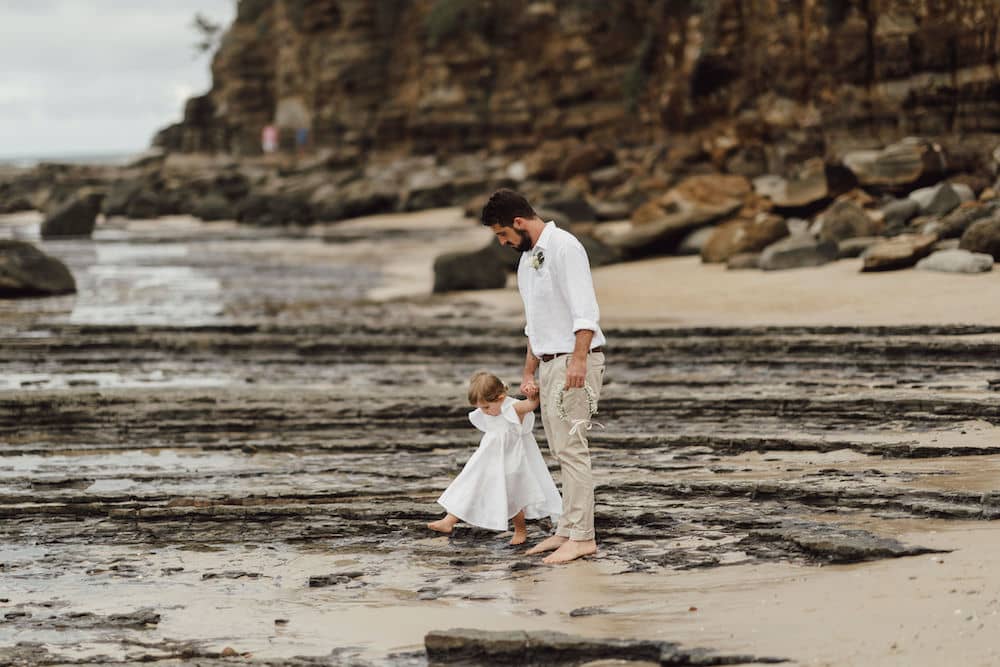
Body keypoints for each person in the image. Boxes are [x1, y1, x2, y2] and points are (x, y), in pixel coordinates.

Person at [481, 189, 607, 564]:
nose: (504, 243)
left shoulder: (565, 247)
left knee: (572, 449)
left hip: (575, 361)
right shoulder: (527, 260)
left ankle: (583, 537)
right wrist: (527, 372)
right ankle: (567, 529)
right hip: (550, 362)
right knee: (560, 450)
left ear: (519, 223)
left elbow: (585, 311)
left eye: (504, 234)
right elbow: (534, 325)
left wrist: (579, 362)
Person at [428, 371, 563, 545]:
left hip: (510, 462)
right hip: (487, 460)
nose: (483, 412)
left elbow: (532, 404)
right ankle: (449, 520)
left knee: (513, 496)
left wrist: (533, 393)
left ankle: (520, 530)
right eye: (480, 408)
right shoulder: (489, 410)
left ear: (500, 397)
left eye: (485, 407)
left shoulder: (512, 408)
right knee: (470, 484)